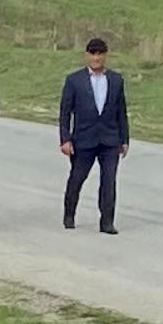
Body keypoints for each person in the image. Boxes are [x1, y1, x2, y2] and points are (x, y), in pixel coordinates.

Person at [61, 35, 128, 231]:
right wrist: (65, 139)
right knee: (77, 178)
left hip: (109, 139)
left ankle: (107, 221)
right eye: (93, 54)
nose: (96, 58)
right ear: (87, 56)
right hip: (84, 139)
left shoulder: (116, 80)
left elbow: (121, 112)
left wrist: (124, 139)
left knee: (109, 181)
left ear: (105, 56)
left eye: (100, 54)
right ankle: (69, 214)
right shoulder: (74, 80)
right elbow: (65, 112)